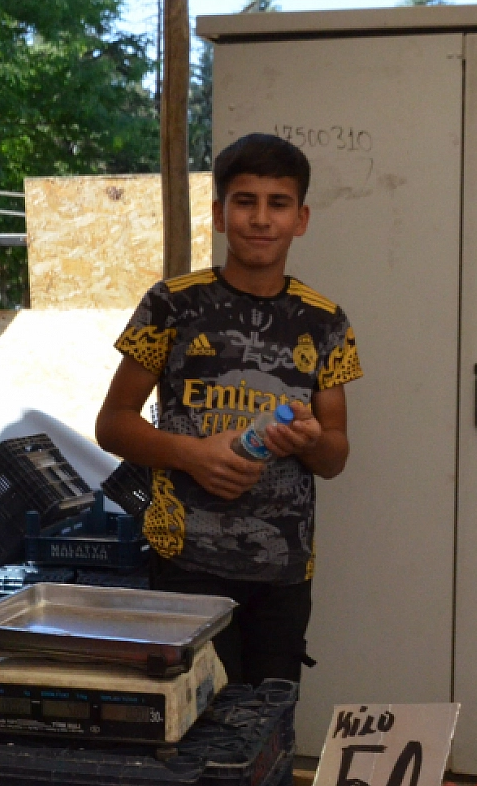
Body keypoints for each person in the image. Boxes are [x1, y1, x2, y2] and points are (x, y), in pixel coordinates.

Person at [96, 133, 361, 685]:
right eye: (245, 202)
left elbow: (335, 456)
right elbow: (112, 424)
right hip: (184, 563)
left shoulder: (325, 322)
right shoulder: (171, 304)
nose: (261, 219)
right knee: (191, 725)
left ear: (301, 218)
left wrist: (309, 439)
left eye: (278, 203)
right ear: (219, 214)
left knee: (267, 726)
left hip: (282, 570)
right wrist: (192, 455)